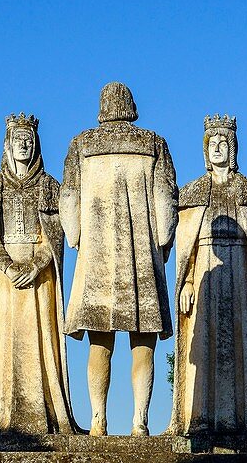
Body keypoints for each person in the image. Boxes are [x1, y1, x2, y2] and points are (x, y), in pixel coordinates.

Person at [60, 82, 177, 436]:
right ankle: (140, 420)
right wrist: (163, 241)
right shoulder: (153, 144)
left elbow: (69, 197)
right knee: (144, 342)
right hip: (141, 256)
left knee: (100, 342)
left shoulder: (82, 145)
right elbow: (166, 199)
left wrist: (75, 236)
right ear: (131, 106)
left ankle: (98, 419)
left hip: (97, 257)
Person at [168, 114, 247, 435]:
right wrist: (186, 281)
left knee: (241, 343)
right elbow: (186, 245)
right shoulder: (193, 194)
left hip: (240, 272)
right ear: (205, 150)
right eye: (212, 143)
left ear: (233, 148)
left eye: (223, 142)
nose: (218, 148)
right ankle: (200, 418)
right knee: (203, 342)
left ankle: (243, 418)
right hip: (204, 269)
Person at [0, 113, 79, 434]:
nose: (24, 143)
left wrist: (35, 264)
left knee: (42, 340)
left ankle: (46, 411)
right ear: (7, 144)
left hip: (39, 278)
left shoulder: (49, 187)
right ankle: (0, 412)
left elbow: (55, 236)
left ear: (36, 144)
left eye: (29, 138)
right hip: (5, 280)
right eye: (18, 138)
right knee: (4, 344)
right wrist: (6, 264)